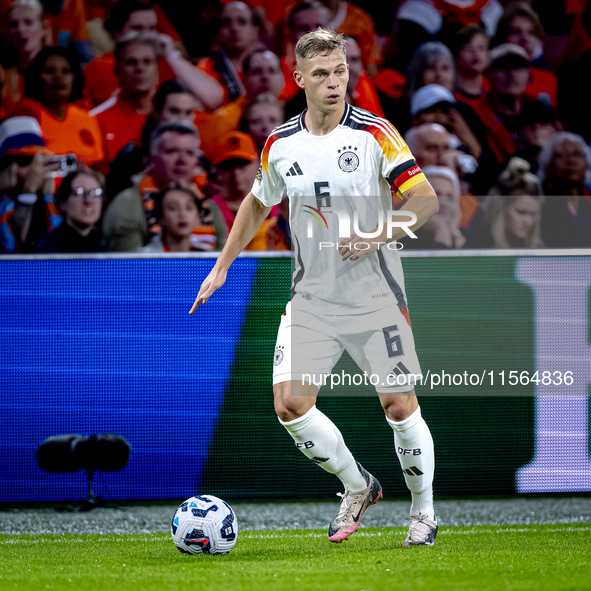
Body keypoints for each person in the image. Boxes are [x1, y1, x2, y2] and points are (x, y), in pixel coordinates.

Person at [190, 28, 440, 546]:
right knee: (289, 406)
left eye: (341, 71)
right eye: (322, 74)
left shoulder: (375, 133)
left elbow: (425, 202)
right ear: (299, 78)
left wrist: (378, 233)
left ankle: (423, 512)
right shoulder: (280, 143)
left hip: (376, 298)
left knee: (398, 405)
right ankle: (357, 485)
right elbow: (258, 201)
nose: (334, 82)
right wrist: (223, 265)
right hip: (312, 301)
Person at [102, 120, 226, 251]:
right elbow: (128, 267)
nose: (182, 160)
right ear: (152, 157)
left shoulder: (209, 206)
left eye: (189, 153)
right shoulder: (128, 203)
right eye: (172, 151)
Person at [17, 47, 105, 170]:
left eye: (66, 71)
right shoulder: (25, 116)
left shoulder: (87, 119)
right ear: (36, 77)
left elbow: (98, 167)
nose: (58, 76)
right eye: (49, 71)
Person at [0, 116, 62, 253]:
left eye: (39, 160)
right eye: (25, 161)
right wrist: (29, 190)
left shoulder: (50, 201)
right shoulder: (3, 201)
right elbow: (19, 242)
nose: (35, 169)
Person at [34, 167, 106, 252]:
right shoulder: (47, 250)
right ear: (62, 203)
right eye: (79, 192)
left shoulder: (108, 247)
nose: (88, 200)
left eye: (95, 193)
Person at [0, 0, 50, 119]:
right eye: (13, 24)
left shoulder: (62, 72)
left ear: (44, 27)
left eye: (28, 22)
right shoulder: (3, 76)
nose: (20, 29)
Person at [139, 183, 210, 252]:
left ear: (197, 217)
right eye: (173, 208)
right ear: (160, 218)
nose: (182, 214)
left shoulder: (210, 257)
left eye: (189, 208)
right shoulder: (143, 259)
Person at [410, 165, 465, 249]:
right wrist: (441, 232)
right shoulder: (401, 238)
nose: (443, 202)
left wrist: (454, 236)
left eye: (450, 197)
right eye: (436, 195)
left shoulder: (473, 237)